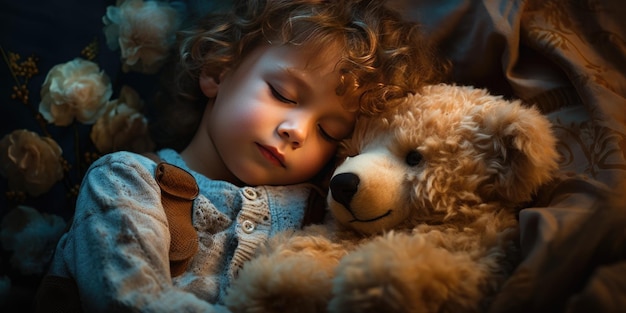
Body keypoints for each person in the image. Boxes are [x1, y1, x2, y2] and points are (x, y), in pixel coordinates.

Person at [35, 0, 447, 312]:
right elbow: (129, 298)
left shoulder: (321, 214)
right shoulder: (127, 180)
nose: (296, 130)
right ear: (217, 71)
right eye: (283, 94)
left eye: (328, 131)